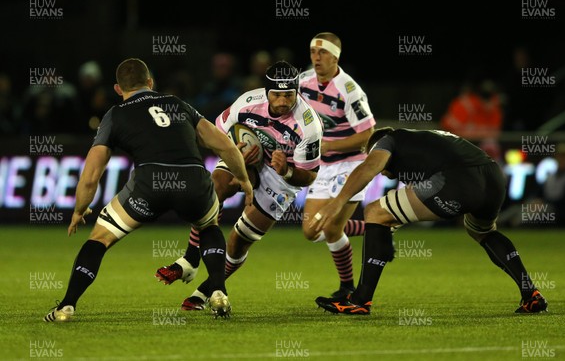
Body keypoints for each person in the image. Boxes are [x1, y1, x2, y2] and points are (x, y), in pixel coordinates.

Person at [44, 58, 252, 322]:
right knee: (208, 226)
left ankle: (66, 306)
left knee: (99, 239)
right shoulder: (178, 104)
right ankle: (219, 291)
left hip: (149, 186)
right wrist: (244, 179)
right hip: (193, 182)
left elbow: (91, 175)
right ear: (151, 82)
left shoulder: (115, 114)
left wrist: (79, 210)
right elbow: (226, 146)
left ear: (118, 89)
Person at [311, 127, 548, 315]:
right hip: (493, 176)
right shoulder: (421, 140)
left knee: (375, 211)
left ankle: (359, 301)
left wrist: (338, 201)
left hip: (455, 179)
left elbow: (371, 166)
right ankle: (530, 293)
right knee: (482, 231)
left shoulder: (388, 140)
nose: (383, 173)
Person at [155, 61, 323, 311]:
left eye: (289, 94)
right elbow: (214, 134)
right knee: (215, 189)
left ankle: (206, 289)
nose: (282, 101)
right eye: (276, 94)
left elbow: (309, 176)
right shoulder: (247, 103)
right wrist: (235, 153)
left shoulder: (309, 125)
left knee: (238, 241)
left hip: (280, 177)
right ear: (266, 91)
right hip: (246, 153)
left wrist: (286, 170)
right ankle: (191, 258)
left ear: (296, 92)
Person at [299, 32, 376, 298]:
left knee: (331, 228)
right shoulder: (304, 81)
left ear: (336, 57)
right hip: (322, 165)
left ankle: (346, 287)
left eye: (322, 53)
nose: (316, 58)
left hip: (351, 165)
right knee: (310, 231)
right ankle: (377, 227)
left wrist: (330, 145)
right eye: (312, 52)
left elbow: (368, 135)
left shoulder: (350, 90)